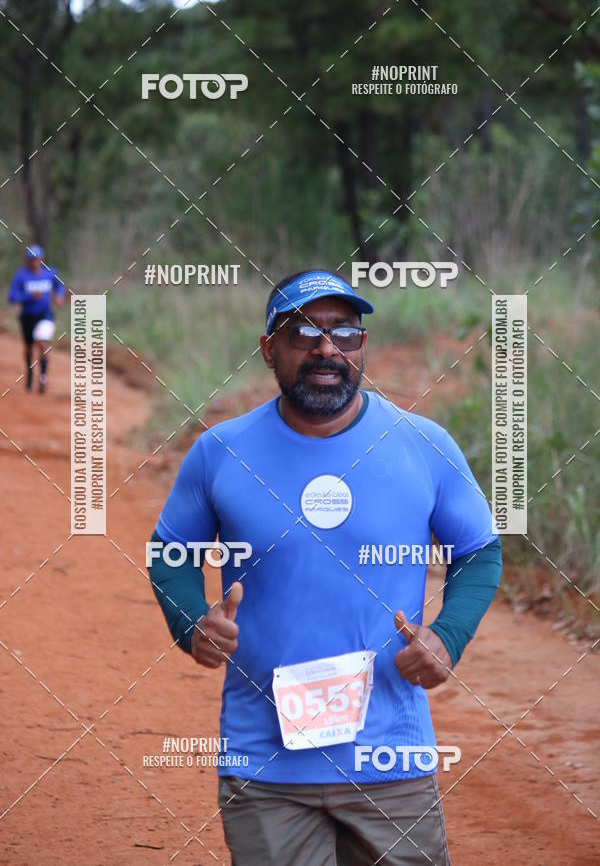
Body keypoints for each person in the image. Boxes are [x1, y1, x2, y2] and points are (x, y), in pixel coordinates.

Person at [147, 269, 503, 865]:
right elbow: (170, 552)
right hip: (265, 766)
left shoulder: (424, 445)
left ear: (363, 346)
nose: (325, 348)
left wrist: (449, 635)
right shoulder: (220, 452)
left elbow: (479, 551)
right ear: (268, 349)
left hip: (390, 760)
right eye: (302, 331)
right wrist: (190, 622)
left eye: (345, 332)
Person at [7, 244, 65, 393]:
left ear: (42, 259)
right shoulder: (21, 276)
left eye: (37, 259)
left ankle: (43, 377)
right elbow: (12, 297)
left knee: (42, 343)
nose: (34, 262)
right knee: (28, 348)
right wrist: (29, 296)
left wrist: (59, 295)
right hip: (27, 316)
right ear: (27, 261)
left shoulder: (50, 273)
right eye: (31, 260)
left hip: (45, 315)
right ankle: (30, 372)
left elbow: (59, 285)